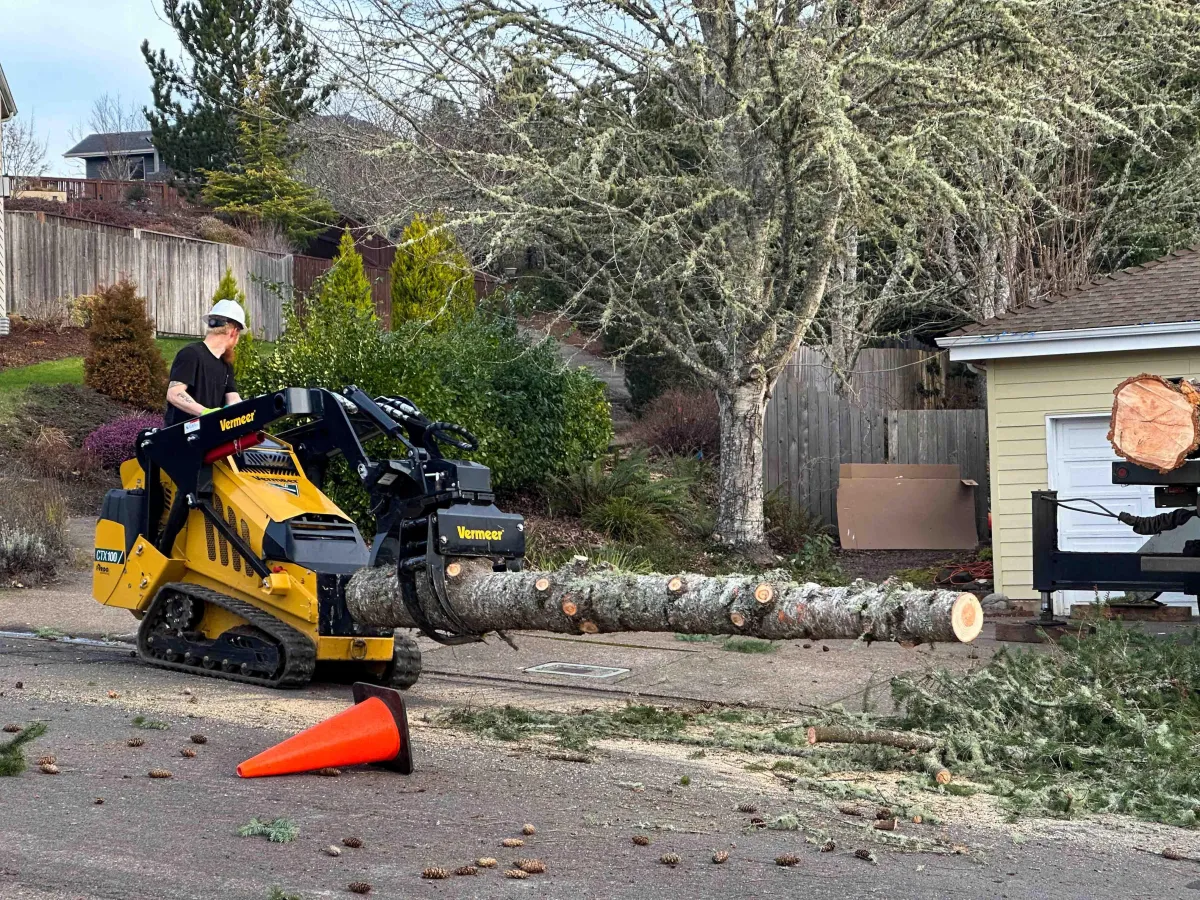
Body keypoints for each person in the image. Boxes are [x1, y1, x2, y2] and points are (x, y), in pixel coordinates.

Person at [164, 299, 246, 427]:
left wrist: (251, 411)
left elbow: (233, 400)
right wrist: (205, 412)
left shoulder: (226, 364)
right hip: (181, 440)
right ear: (234, 332)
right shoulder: (191, 354)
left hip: (210, 437)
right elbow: (174, 393)